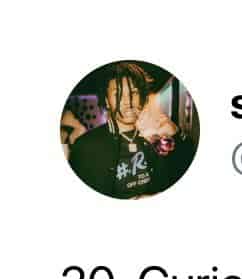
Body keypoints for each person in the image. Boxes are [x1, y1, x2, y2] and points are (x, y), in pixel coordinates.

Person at [66, 62, 195, 199]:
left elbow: (183, 168)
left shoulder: (155, 135)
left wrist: (176, 133)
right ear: (107, 102)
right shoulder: (85, 147)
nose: (128, 101)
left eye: (134, 92)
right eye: (118, 94)